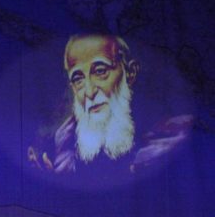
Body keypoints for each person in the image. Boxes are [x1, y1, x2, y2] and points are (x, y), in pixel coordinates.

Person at [28, 34, 193, 174]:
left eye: (100, 71)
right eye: (78, 79)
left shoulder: (172, 133)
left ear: (130, 72)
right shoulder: (65, 139)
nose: (89, 92)